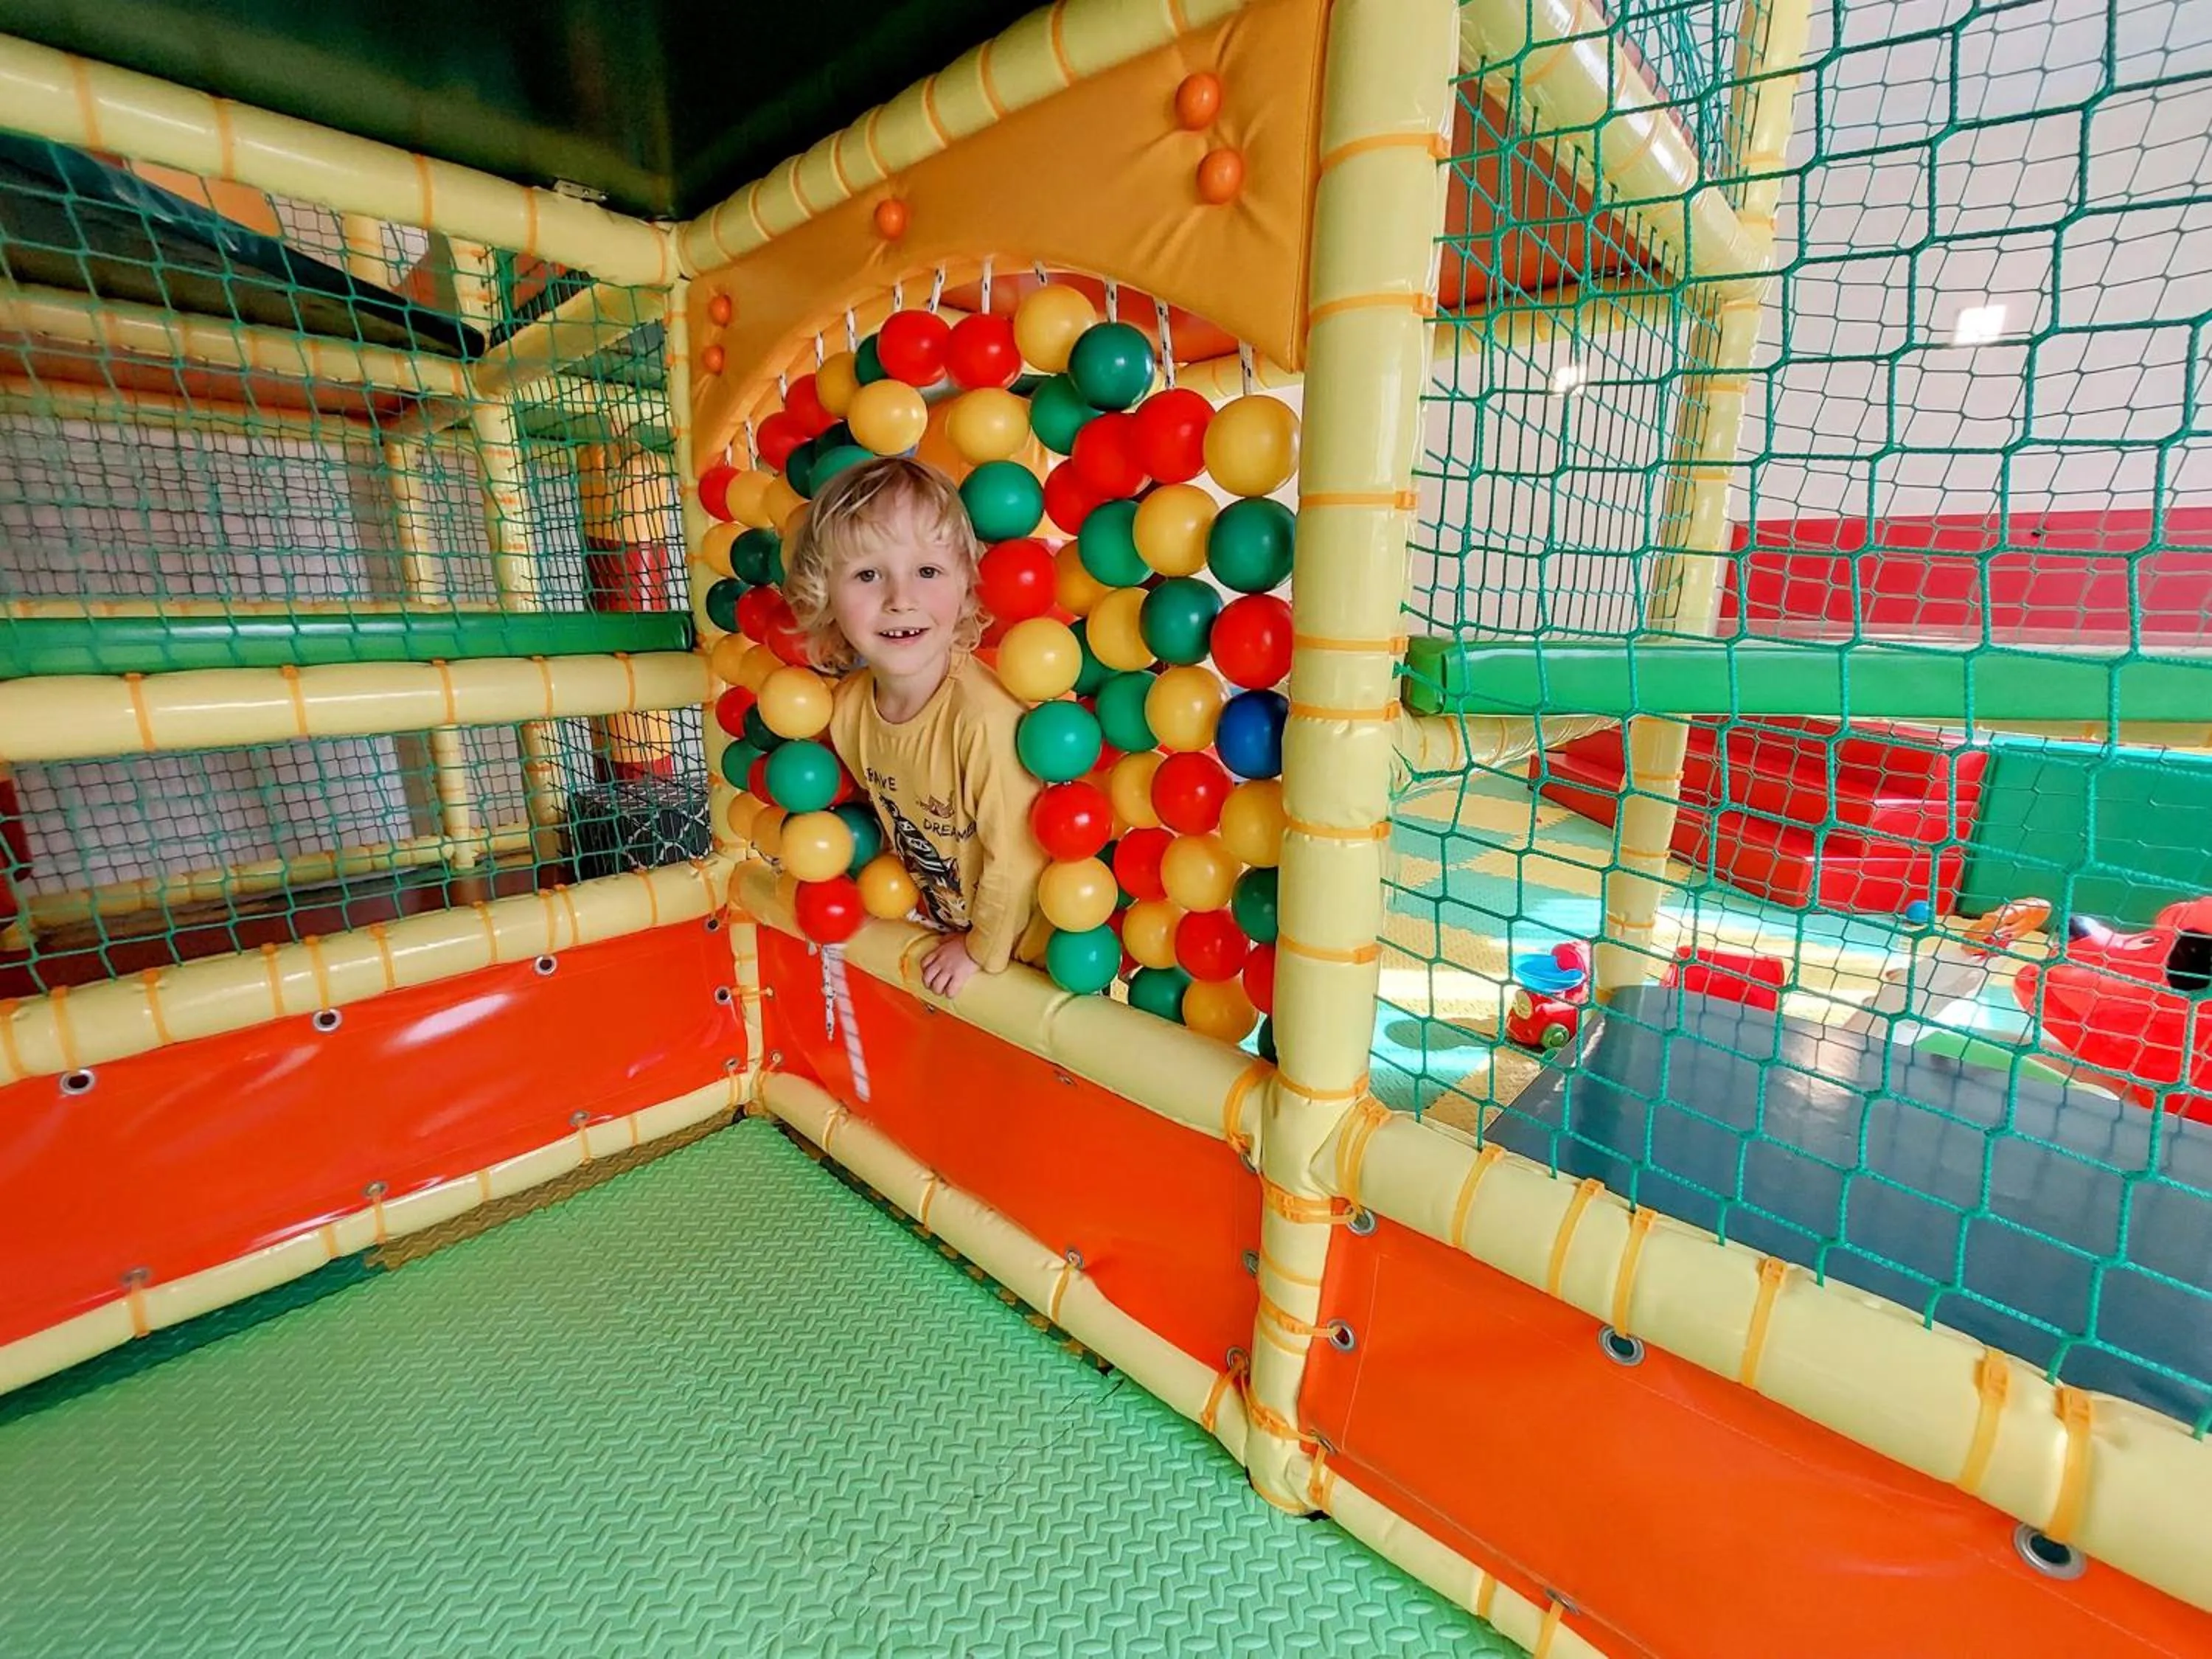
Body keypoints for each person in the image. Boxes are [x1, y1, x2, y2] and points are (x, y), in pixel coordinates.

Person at [782, 456, 1050, 999]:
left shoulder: (983, 721)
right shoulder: (849, 710)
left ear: (966, 586)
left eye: (927, 572)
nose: (900, 599)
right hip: (947, 929)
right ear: (826, 594)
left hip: (1027, 956)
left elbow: (1018, 859)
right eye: (867, 575)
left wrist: (978, 949)